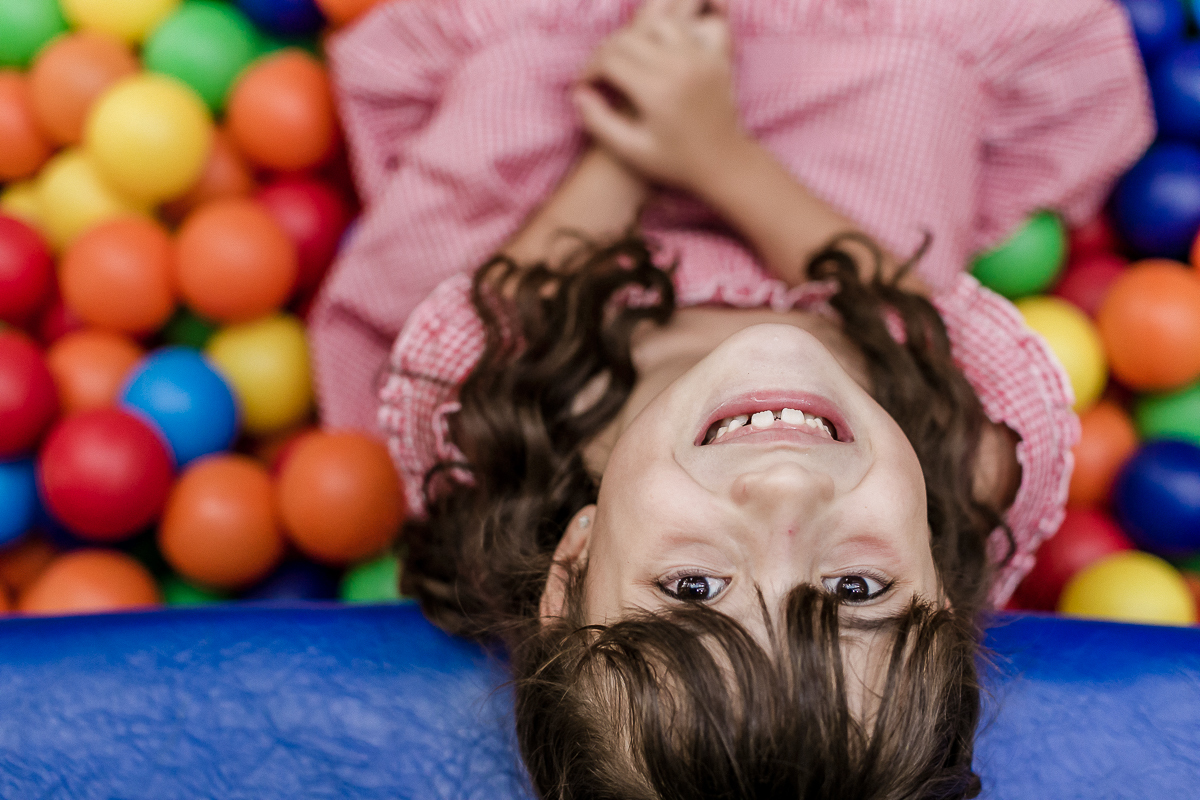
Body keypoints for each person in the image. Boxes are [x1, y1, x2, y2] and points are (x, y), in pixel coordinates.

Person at [311, 0, 1153, 796]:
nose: (786, 489)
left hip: (575, 250)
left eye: (691, 587)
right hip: (832, 236)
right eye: (857, 590)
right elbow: (894, 307)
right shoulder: (971, 456)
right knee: (909, 93)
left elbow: (518, 298)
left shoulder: (498, 433)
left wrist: (631, 146)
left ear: (571, 572)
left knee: (501, 111)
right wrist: (715, 152)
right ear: (941, 588)